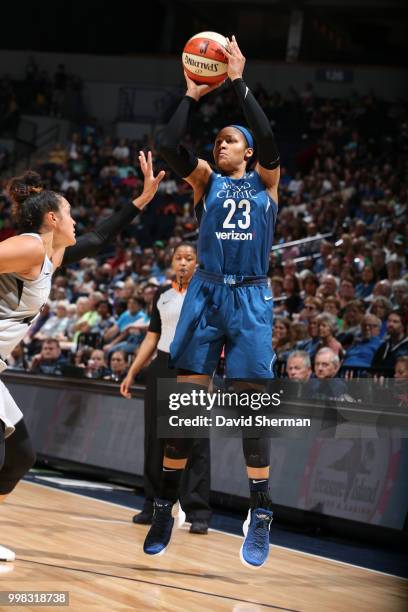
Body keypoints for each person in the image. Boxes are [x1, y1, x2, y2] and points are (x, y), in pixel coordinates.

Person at [147, 36, 280, 568]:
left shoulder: (267, 183)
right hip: (205, 292)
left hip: (249, 296)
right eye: (217, 141)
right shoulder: (205, 181)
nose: (219, 146)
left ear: (246, 151)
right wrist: (191, 95)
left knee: (252, 405)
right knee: (187, 408)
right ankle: (165, 502)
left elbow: (268, 138)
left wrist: (239, 82)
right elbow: (165, 146)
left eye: (229, 141)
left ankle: (261, 508)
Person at [0, 152, 164, 563]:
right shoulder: (28, 248)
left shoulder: (49, 258)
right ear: (52, 218)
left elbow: (97, 238)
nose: (76, 220)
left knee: (22, 456)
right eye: (70, 213)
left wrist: (141, 201)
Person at [120, 243, 211, 535]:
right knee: (155, 439)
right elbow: (152, 335)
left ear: (198, 262)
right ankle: (153, 504)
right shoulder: (162, 295)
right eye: (178, 258)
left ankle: (198, 510)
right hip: (162, 365)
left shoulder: (207, 292)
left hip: (194, 366)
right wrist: (133, 371)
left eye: (189, 258)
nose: (183, 263)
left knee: (193, 440)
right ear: (171, 262)